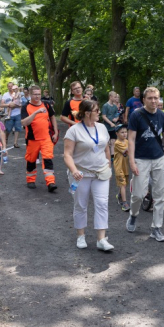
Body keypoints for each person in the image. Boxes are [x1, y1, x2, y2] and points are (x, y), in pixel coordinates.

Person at [64, 100, 114, 251]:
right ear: (87, 113)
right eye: (97, 110)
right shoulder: (74, 130)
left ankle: (101, 239)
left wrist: (108, 166)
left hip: (101, 172)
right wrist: (74, 171)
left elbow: (106, 149)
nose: (99, 112)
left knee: (102, 203)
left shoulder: (102, 128)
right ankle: (81, 236)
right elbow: (67, 154)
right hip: (81, 174)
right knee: (81, 205)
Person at [126, 87, 164, 242]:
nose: (154, 101)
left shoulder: (163, 116)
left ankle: (156, 228)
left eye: (156, 98)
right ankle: (133, 215)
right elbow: (131, 140)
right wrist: (132, 161)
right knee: (139, 194)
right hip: (141, 159)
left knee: (160, 195)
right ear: (144, 100)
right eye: (150, 98)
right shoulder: (136, 115)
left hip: (158, 158)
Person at [21, 85, 59, 192]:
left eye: (39, 94)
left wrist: (55, 132)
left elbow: (52, 117)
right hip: (32, 139)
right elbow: (24, 122)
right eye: (35, 94)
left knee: (48, 159)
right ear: (30, 94)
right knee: (31, 160)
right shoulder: (26, 107)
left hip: (46, 138)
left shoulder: (46, 105)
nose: (37, 96)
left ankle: (50, 182)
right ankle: (30, 179)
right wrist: (36, 112)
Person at [113, 125, 130, 211]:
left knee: (125, 183)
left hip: (125, 166)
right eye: (122, 132)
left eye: (126, 132)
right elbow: (128, 151)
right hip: (119, 166)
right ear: (117, 133)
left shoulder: (127, 141)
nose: (124, 134)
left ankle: (119, 195)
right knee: (123, 184)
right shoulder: (117, 143)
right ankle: (124, 203)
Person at [2, 83, 22, 148]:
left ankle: (15, 143)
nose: (10, 87)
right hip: (9, 115)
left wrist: (16, 105)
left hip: (18, 113)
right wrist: (9, 105)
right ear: (7, 87)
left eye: (11, 86)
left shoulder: (18, 94)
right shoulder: (5, 95)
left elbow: (21, 103)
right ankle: (6, 139)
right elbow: (1, 105)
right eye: (9, 86)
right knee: (8, 129)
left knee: (17, 128)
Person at [101, 91, 120, 156]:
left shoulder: (115, 106)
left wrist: (116, 119)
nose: (115, 98)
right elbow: (103, 116)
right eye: (114, 97)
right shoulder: (105, 105)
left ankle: (112, 155)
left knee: (113, 141)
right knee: (107, 142)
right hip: (106, 127)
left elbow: (117, 114)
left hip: (113, 127)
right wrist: (110, 123)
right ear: (110, 97)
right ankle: (106, 154)